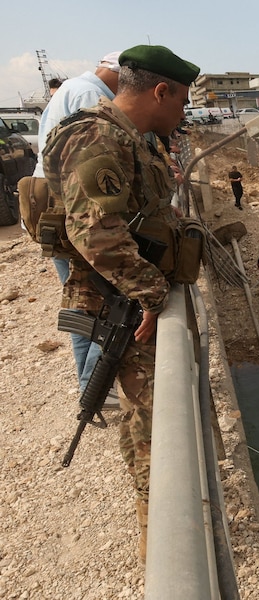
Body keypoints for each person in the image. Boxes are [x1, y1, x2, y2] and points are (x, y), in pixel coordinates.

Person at [42, 43, 200, 560]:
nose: (184, 112)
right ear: (160, 91)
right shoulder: (96, 136)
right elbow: (96, 234)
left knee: (147, 421)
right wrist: (152, 294)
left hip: (127, 302)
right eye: (182, 101)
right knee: (156, 428)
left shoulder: (133, 139)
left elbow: (142, 210)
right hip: (122, 308)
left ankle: (158, 531)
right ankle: (164, 547)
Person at [22, 50, 121, 393]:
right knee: (104, 306)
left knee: (83, 307)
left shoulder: (71, 89)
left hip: (53, 211)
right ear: (117, 74)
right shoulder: (91, 96)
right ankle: (94, 386)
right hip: (74, 213)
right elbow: (93, 169)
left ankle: (87, 385)